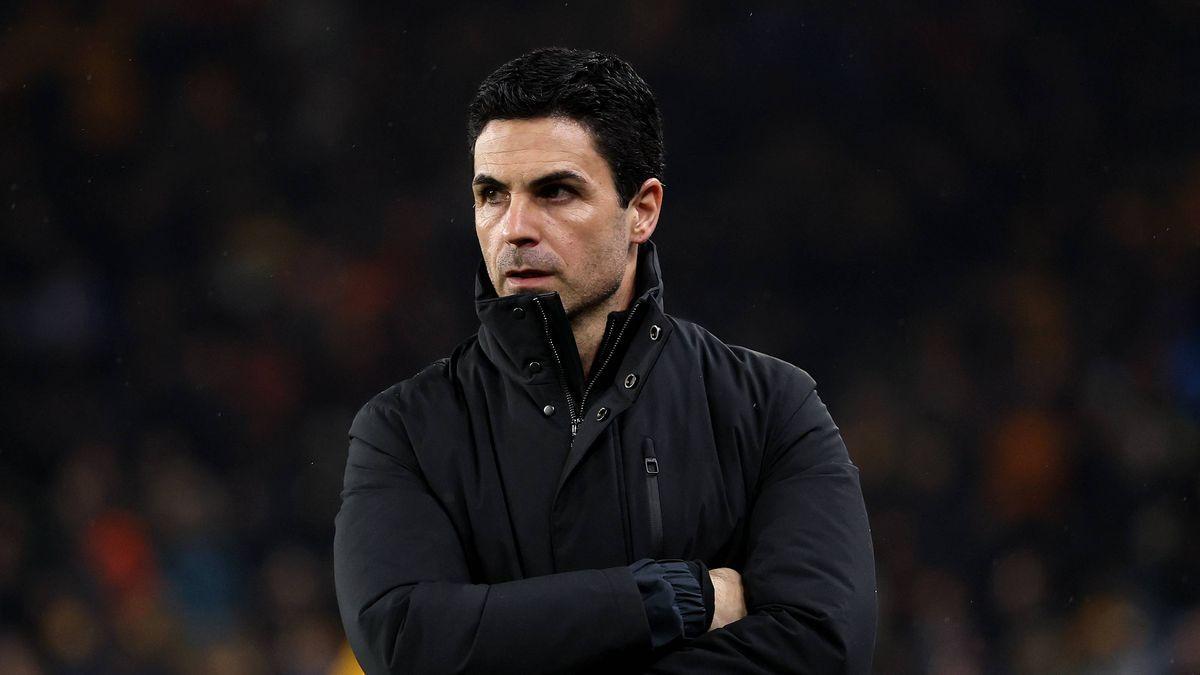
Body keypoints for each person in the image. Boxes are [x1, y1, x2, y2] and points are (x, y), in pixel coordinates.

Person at [333, 47, 877, 674]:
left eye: (556, 192)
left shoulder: (770, 407)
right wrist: (673, 597)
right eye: (492, 195)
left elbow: (823, 649)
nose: (514, 228)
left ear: (642, 210)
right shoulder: (403, 429)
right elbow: (407, 645)